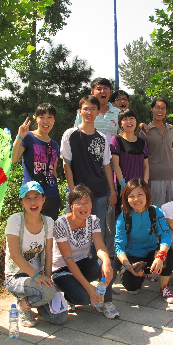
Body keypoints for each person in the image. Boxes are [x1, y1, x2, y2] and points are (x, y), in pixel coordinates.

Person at [4, 181, 67, 327]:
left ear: (43, 199)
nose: (33, 202)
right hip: (15, 277)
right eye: (28, 198)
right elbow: (15, 255)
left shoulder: (48, 222)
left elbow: (49, 254)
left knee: (60, 318)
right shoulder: (15, 220)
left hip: (38, 277)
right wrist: (38, 277)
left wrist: (48, 279)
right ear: (22, 203)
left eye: (37, 197)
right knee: (47, 292)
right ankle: (23, 306)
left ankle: (34, 300)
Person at [51, 185, 119, 319]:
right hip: (62, 269)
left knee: (109, 266)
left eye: (87, 202)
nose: (83, 207)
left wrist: (106, 261)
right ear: (70, 205)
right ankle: (68, 295)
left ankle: (106, 302)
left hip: (82, 264)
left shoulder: (93, 220)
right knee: (85, 297)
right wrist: (89, 288)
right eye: (78, 203)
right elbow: (68, 259)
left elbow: (100, 246)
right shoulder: (60, 224)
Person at [61, 95, 117, 241]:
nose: (89, 112)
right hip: (77, 194)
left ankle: (98, 257)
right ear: (80, 111)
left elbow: (107, 166)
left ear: (98, 112)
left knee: (97, 235)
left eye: (93, 109)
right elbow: (66, 164)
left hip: (99, 194)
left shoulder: (102, 138)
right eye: (86, 109)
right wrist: (72, 193)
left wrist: (112, 191)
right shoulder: (70, 134)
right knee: (72, 234)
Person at [115, 179, 173, 303]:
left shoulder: (155, 211)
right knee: (132, 288)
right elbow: (119, 247)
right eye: (131, 196)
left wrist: (160, 255)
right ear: (126, 199)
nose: (136, 199)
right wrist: (128, 267)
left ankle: (164, 288)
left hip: (151, 253)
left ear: (147, 195)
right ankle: (141, 275)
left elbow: (166, 234)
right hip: (133, 256)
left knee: (168, 253)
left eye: (140, 194)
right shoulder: (123, 217)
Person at [12, 103, 61, 220]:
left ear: (54, 120)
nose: (45, 121)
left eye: (49, 117)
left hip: (52, 194)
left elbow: (53, 171)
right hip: (32, 194)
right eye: (41, 117)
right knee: (32, 228)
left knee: (50, 229)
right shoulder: (28, 137)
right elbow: (13, 159)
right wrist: (19, 137)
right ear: (36, 119)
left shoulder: (54, 144)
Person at [139, 97, 173, 207]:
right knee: (157, 209)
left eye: (163, 108)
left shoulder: (171, 129)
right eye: (157, 107)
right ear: (152, 109)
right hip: (155, 177)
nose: (160, 111)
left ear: (166, 111)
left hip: (172, 176)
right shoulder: (145, 130)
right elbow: (140, 155)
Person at [110, 109, 149, 216]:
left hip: (140, 187)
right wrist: (124, 186)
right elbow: (116, 165)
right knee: (123, 217)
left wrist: (145, 185)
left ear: (136, 121)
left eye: (131, 118)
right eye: (125, 119)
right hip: (123, 187)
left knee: (140, 215)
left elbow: (146, 165)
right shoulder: (116, 140)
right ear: (120, 124)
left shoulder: (142, 142)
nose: (129, 122)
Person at [74, 78, 120, 142]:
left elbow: (123, 135)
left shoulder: (118, 112)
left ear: (110, 92)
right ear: (92, 92)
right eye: (99, 89)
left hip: (111, 148)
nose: (102, 91)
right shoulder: (84, 112)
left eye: (105, 88)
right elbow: (76, 133)